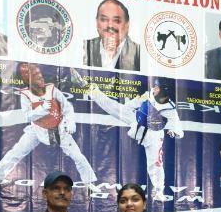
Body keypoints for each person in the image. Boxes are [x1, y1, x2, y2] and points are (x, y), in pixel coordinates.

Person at [0, 63, 100, 192]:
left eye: (39, 74)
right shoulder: (26, 95)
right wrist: (41, 109)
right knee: (15, 153)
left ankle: (89, 181)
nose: (40, 77)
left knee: (78, 156)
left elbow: (67, 108)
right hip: (37, 130)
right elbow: (27, 116)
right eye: (35, 75)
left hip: (59, 130)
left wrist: (70, 122)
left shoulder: (52, 90)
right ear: (28, 80)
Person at [71, 70, 183, 201]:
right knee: (111, 105)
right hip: (138, 120)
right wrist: (137, 112)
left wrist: (173, 132)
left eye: (158, 87)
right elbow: (130, 106)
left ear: (165, 92)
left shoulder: (170, 109)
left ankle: (159, 191)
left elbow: (179, 131)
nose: (154, 88)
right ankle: (87, 86)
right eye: (155, 86)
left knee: (156, 163)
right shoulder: (149, 94)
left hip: (154, 133)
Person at [83, 0, 140, 71]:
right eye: (104, 19)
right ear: (97, 22)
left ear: (127, 25)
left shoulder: (140, 53)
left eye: (117, 21)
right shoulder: (84, 47)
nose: (110, 25)